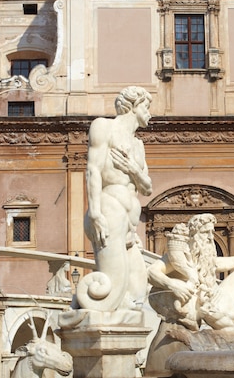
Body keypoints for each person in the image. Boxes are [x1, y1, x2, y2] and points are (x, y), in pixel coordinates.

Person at [78, 86, 153, 311]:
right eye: (147, 107)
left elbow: (147, 187)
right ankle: (87, 334)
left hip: (130, 225)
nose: (150, 113)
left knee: (138, 292)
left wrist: (134, 170)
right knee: (111, 292)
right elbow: (93, 170)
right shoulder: (104, 127)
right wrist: (94, 212)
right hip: (109, 212)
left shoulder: (138, 145)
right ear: (133, 106)